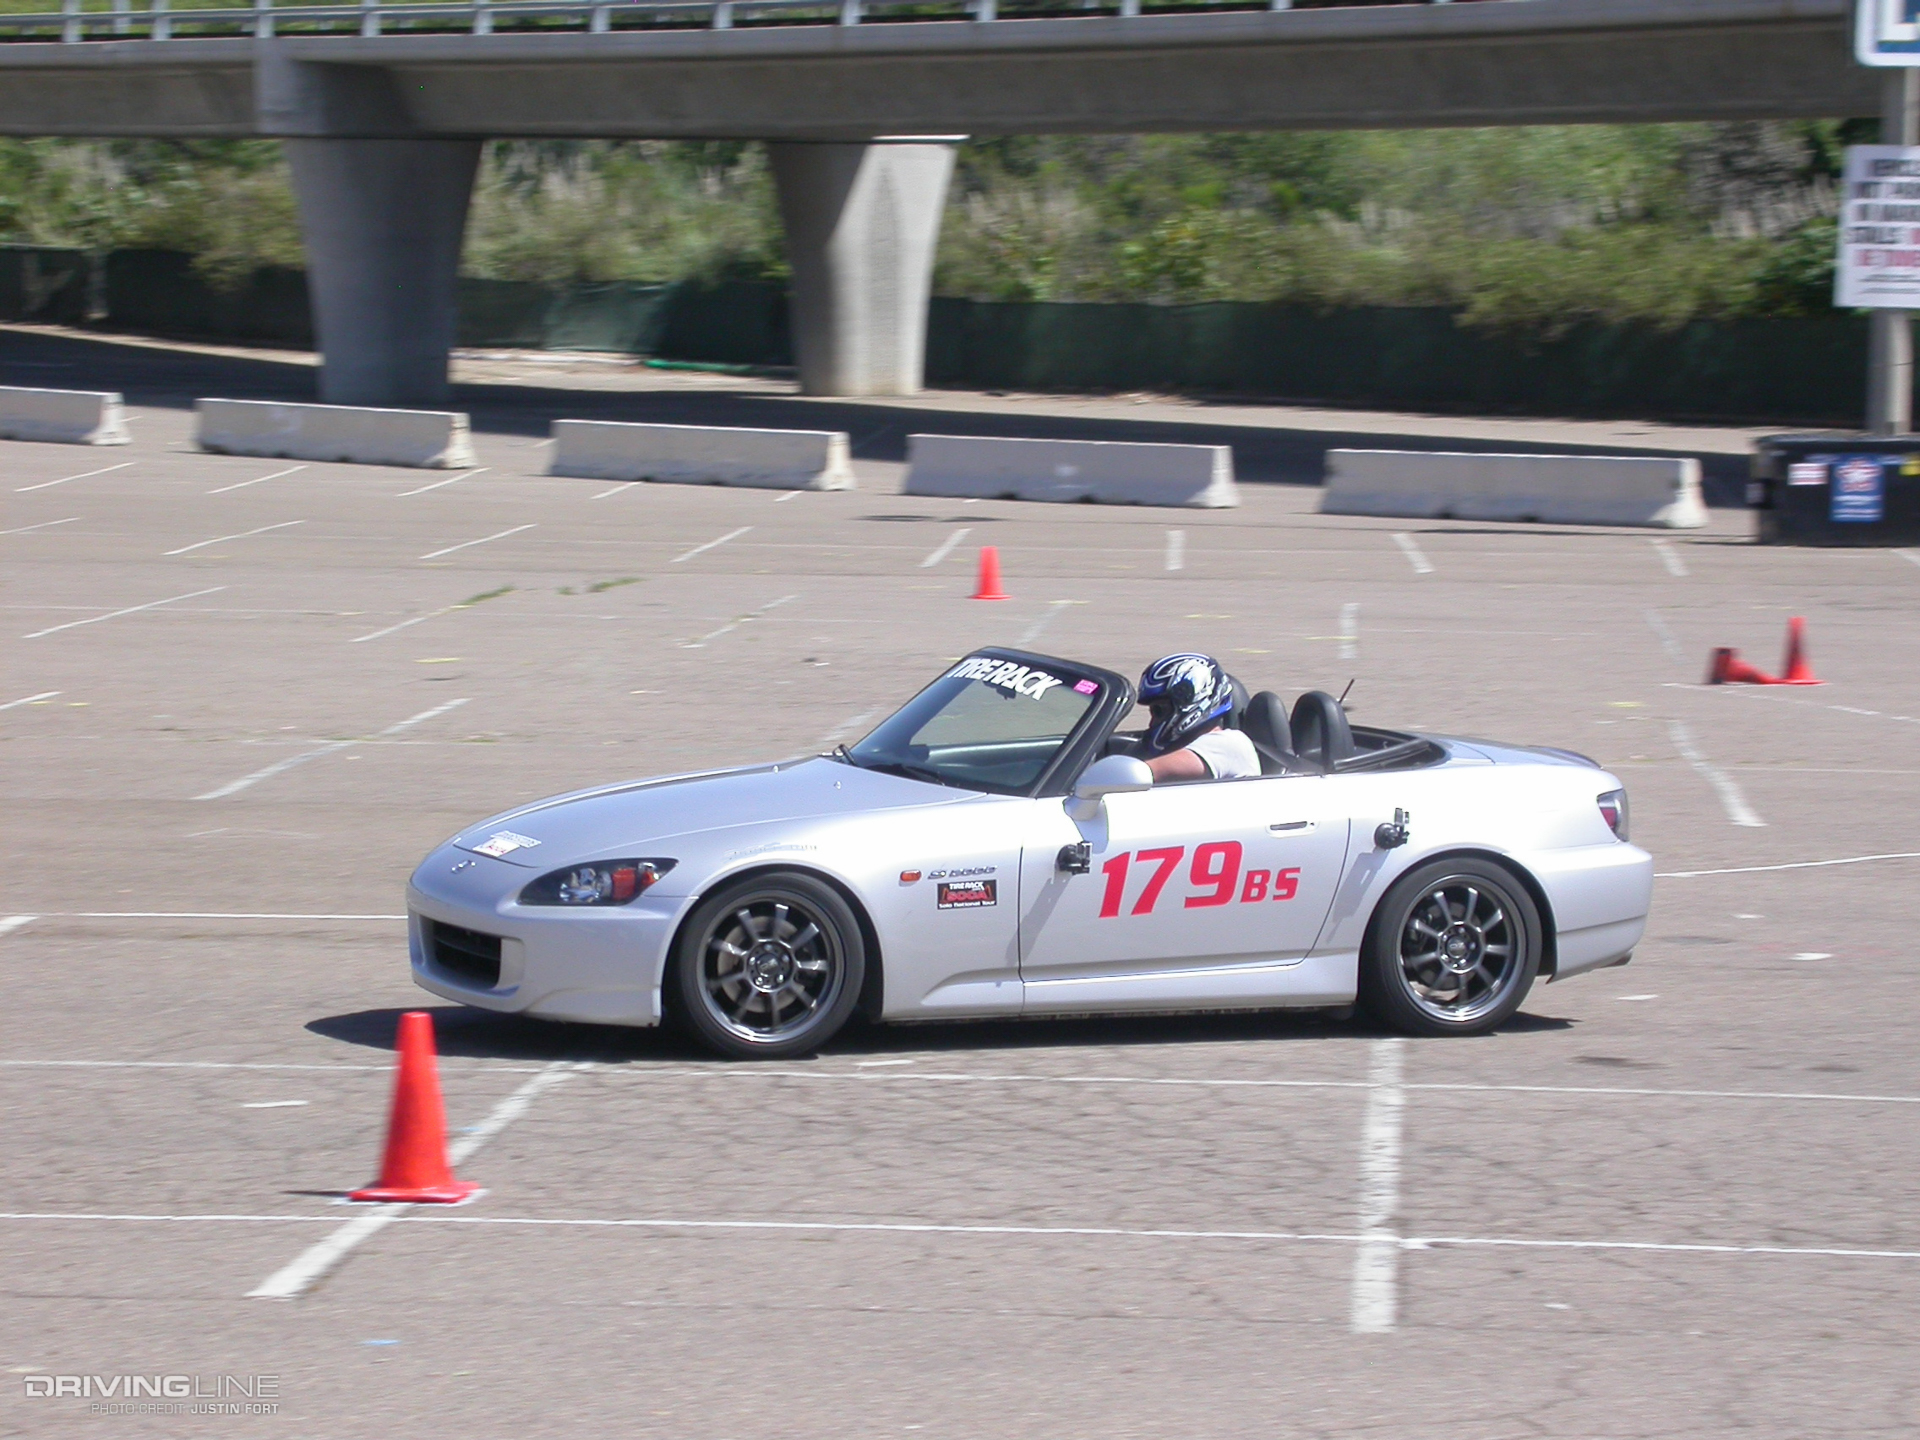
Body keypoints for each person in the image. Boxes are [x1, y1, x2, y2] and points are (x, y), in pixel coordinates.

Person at [1136, 652, 1259, 782]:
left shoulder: (1228, 743)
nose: (1152, 722)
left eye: (1159, 710)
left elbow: (1148, 771)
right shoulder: (1185, 747)